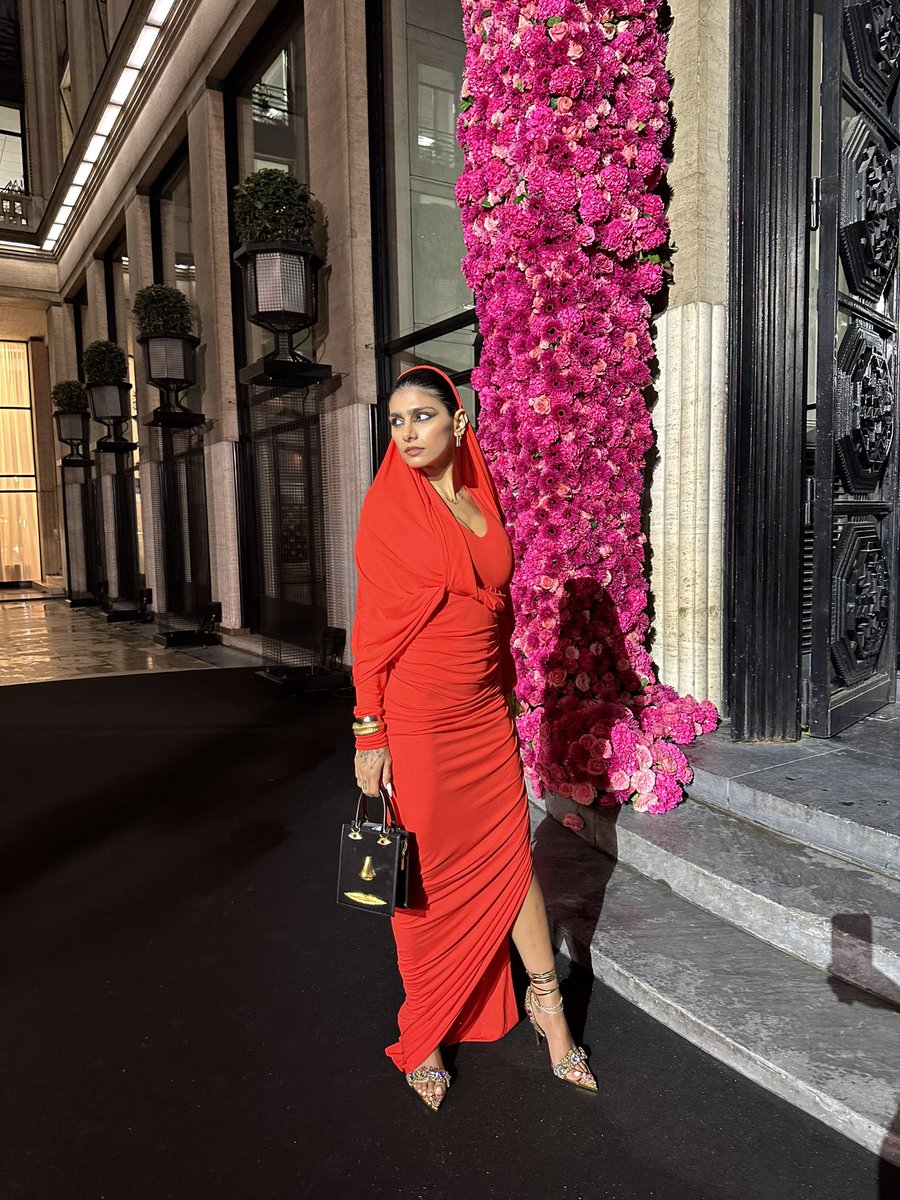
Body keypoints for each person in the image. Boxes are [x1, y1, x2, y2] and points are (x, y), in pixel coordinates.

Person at [351, 365, 597, 1112]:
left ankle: (548, 1008)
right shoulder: (389, 507)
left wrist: (504, 685)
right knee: (424, 875)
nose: (407, 432)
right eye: (397, 421)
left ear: (459, 424)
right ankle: (425, 1026)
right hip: (419, 719)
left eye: (422, 416)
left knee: (510, 860)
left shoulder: (480, 501)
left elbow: (498, 607)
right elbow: (371, 632)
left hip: (484, 716)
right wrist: (370, 731)